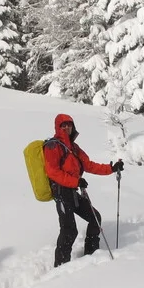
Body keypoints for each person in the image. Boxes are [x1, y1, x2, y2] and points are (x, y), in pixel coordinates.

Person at [43, 114, 124, 267]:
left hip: (72, 192)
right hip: (61, 192)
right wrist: (76, 181)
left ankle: (91, 255)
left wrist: (111, 169)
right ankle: (60, 266)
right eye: (63, 125)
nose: (67, 127)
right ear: (57, 127)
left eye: (69, 124)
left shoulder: (74, 147)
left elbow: (88, 165)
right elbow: (52, 172)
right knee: (69, 230)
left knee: (95, 218)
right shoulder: (53, 146)